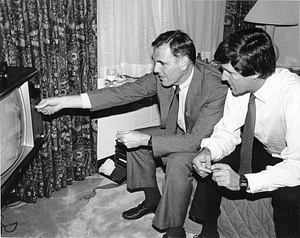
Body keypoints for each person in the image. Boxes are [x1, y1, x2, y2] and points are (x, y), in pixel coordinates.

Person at [36, 30, 228, 238]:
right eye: (155, 62)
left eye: (162, 63)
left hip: (205, 143)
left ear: (183, 62)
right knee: (134, 142)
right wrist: (64, 102)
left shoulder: (214, 86)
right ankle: (152, 198)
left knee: (176, 161)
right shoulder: (161, 77)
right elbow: (120, 93)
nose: (156, 69)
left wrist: (146, 139)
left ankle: (175, 228)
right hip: (178, 131)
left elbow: (194, 140)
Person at [190, 28, 300, 238]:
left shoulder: (294, 95)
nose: (223, 78)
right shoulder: (239, 88)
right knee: (214, 162)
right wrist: (207, 151)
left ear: (256, 72)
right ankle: (209, 230)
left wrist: (243, 181)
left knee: (290, 197)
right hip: (265, 148)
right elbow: (227, 132)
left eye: (230, 72)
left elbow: (296, 166)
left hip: (294, 160)